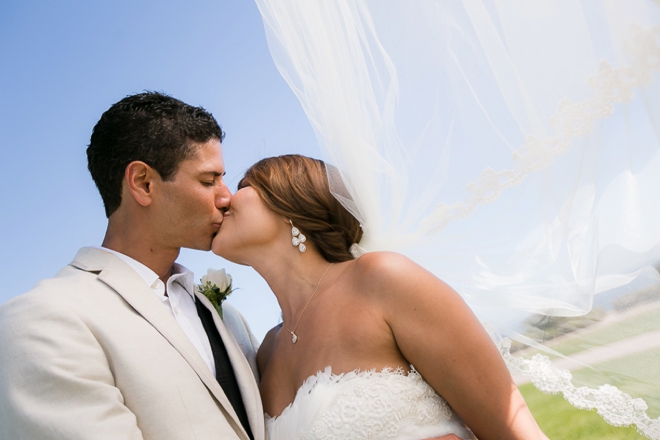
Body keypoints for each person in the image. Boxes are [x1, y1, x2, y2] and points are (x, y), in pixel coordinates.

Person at [212, 154, 548, 440]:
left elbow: (514, 431)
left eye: (243, 187)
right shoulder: (267, 353)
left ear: (289, 203)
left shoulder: (381, 279)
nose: (224, 199)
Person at [0, 92, 263, 440]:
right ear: (143, 183)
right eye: (207, 180)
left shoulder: (230, 319)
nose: (226, 196)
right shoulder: (41, 321)